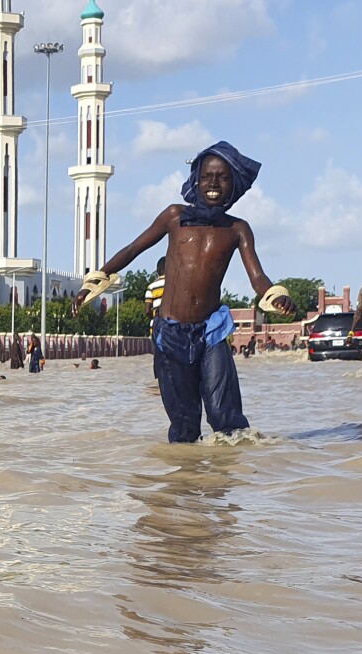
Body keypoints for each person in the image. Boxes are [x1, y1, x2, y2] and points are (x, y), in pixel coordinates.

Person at [75, 141, 293, 442]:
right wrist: (94, 281)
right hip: (171, 332)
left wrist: (276, 295)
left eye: (222, 177)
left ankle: (228, 485)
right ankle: (184, 485)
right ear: (196, 180)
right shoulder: (174, 216)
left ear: (233, 184)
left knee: (226, 419)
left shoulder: (238, 229)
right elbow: (133, 249)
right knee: (185, 424)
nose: (214, 183)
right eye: (207, 176)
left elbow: (257, 277)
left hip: (212, 331)